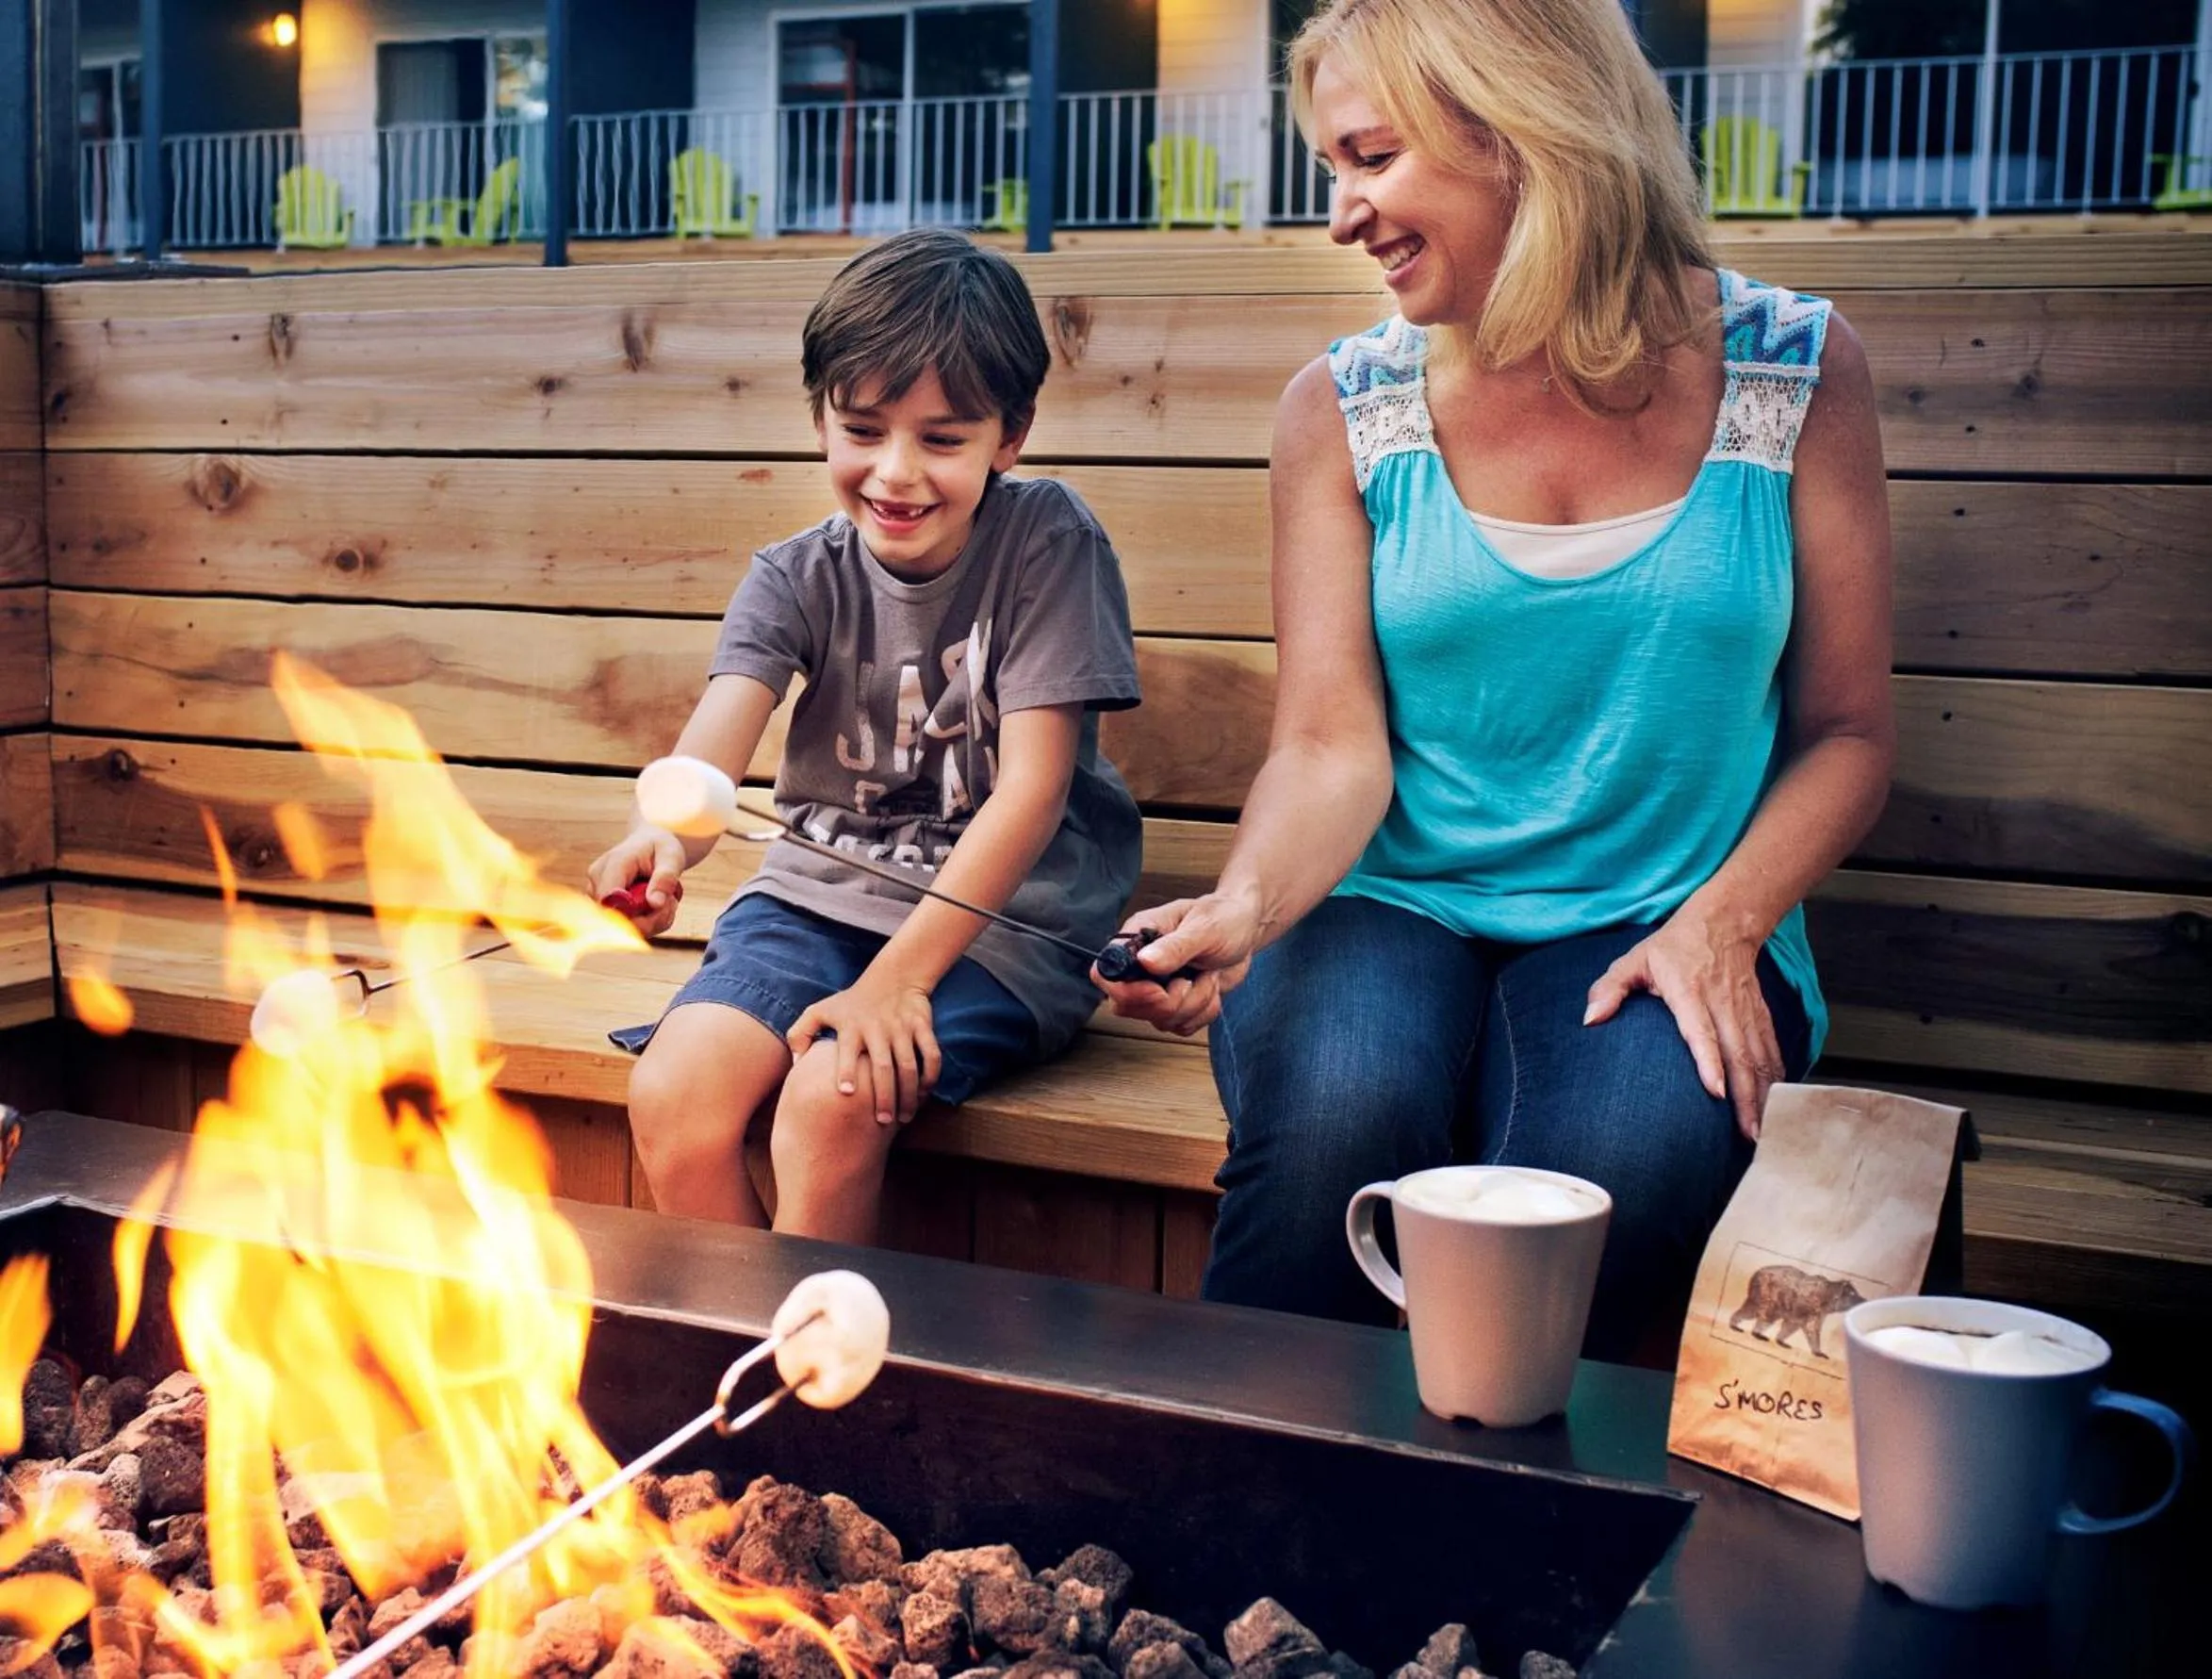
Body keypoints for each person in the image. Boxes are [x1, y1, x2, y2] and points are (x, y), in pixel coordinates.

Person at [1096, 0, 1894, 1360]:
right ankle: (1244, 1524)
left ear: (1515, 127)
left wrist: (1722, 925)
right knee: (1337, 1116)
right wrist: (1241, 908)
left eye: (1367, 158)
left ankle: (1532, 1565)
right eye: (1329, 171)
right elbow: (1329, 743)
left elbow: (1844, 734)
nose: (1341, 214)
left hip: (1661, 909)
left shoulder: (1791, 372)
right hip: (1382, 901)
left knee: (1612, 1186)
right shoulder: (1341, 408)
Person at [594, 228, 1143, 1243]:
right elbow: (707, 753)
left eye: (942, 438)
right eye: (863, 429)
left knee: (832, 1093)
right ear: (819, 420)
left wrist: (898, 982)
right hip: (813, 904)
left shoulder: (1048, 543)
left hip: (999, 930)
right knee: (674, 1093)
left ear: (1008, 435)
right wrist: (661, 840)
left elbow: (1030, 792)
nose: (896, 473)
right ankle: (746, 1367)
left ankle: (816, 1389)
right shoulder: (793, 574)